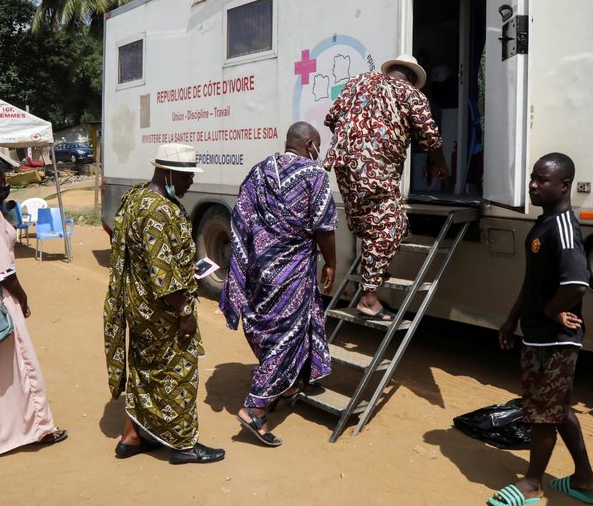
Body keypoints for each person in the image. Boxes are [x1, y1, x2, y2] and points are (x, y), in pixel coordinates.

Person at [103, 143, 225, 465]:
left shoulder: (137, 198)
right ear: (169, 172)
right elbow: (164, 278)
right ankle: (183, 446)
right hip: (162, 312)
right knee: (180, 372)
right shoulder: (161, 210)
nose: (190, 184)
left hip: (137, 307)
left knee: (145, 370)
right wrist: (185, 313)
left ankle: (132, 436)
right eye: (186, 177)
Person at [492, 153, 593, 506]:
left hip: (554, 340)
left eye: (542, 180)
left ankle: (533, 484)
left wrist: (552, 311)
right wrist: (512, 319)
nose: (533, 186)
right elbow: (534, 281)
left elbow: (576, 283)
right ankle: (584, 478)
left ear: (564, 185)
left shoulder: (564, 227)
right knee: (557, 407)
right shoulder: (544, 223)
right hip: (537, 333)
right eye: (532, 178)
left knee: (543, 413)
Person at [221, 122, 338, 446]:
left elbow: (241, 218)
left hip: (260, 271)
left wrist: (244, 263)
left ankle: (285, 383)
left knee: (269, 332)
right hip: (291, 275)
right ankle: (255, 409)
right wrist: (331, 263)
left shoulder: (259, 172)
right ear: (311, 143)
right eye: (318, 145)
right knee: (286, 338)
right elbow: (324, 227)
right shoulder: (315, 176)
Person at [0, 155, 67, 464]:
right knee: (21, 364)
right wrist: (23, 298)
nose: (5, 184)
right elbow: (1, 270)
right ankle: (39, 429)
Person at [323, 54, 448, 320]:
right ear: (412, 79)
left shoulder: (356, 82)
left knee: (370, 223)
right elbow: (430, 136)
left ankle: (374, 269)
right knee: (390, 225)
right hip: (375, 170)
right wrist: (439, 163)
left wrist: (356, 139)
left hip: (343, 162)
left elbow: (332, 118)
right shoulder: (411, 94)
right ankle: (369, 298)